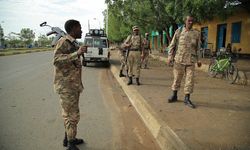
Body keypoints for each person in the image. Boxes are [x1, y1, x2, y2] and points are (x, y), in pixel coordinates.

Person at [53, 19, 86, 150]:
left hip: (72, 85)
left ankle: (68, 138)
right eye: (80, 27)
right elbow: (56, 60)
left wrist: (79, 51)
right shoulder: (63, 42)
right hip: (66, 86)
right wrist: (76, 54)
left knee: (70, 113)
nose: (81, 30)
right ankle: (71, 144)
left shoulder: (72, 43)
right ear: (73, 29)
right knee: (71, 115)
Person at [167, 15, 202, 109]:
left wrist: (199, 60)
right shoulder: (178, 31)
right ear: (185, 21)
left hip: (191, 61)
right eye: (189, 21)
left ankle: (187, 99)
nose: (190, 22)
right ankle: (174, 95)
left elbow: (198, 48)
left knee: (189, 80)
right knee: (177, 78)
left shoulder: (196, 33)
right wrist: (170, 56)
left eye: (192, 21)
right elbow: (172, 45)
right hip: (179, 60)